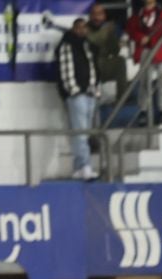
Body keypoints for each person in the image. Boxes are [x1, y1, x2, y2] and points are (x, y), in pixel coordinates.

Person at [57, 17, 101, 181]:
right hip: (77, 96)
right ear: (74, 29)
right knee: (81, 133)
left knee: (84, 133)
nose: (82, 31)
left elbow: (93, 69)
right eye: (79, 28)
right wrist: (74, 91)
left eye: (85, 28)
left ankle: (79, 167)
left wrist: (95, 89)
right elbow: (66, 71)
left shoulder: (88, 46)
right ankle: (84, 166)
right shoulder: (66, 45)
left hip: (90, 94)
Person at [128, 0, 162, 126]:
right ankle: (143, 110)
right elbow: (132, 29)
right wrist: (139, 37)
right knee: (144, 82)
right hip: (147, 51)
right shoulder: (138, 13)